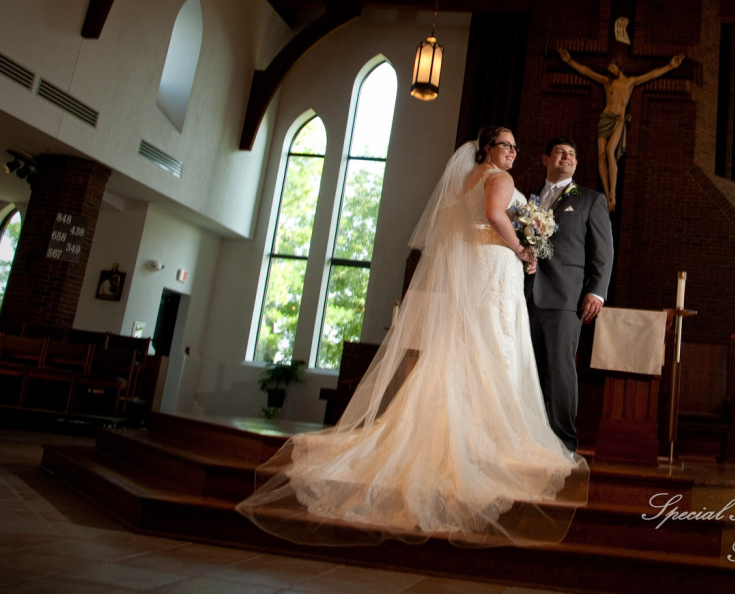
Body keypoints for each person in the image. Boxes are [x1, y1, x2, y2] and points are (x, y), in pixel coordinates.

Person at [237, 127, 588, 548]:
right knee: (495, 346)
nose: (513, 152)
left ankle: (465, 423)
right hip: (494, 264)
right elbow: (496, 217)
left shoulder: (468, 178)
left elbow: (463, 220)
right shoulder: (500, 179)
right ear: (487, 149)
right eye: (505, 145)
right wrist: (522, 250)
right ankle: (486, 434)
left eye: (515, 146)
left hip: (478, 266)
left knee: (470, 347)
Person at [526, 136, 614, 454]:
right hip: (525, 296)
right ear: (545, 158)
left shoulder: (590, 199)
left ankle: (564, 443)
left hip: (565, 298)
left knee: (561, 369)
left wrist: (597, 291)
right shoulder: (529, 200)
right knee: (530, 367)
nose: (567, 157)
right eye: (560, 152)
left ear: (575, 164)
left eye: (572, 154)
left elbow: (603, 251)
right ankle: (532, 436)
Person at [558, 48, 685, 212]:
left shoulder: (630, 81)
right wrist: (569, 61)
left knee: (611, 152)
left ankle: (613, 193)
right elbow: (587, 71)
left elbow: (651, 75)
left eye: (612, 67)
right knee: (601, 155)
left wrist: (670, 66)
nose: (610, 71)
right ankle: (605, 190)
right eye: (608, 69)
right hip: (605, 118)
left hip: (619, 120)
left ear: (619, 67)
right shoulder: (607, 81)